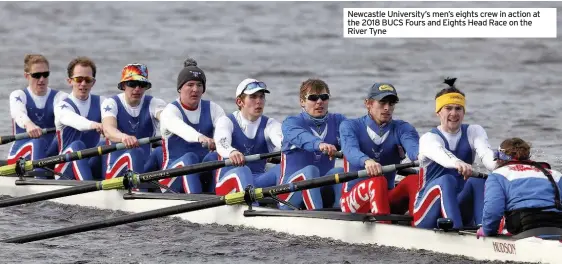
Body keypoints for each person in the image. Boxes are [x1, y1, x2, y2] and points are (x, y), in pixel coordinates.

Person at [414, 77, 497, 230]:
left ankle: (484, 228)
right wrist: (457, 163)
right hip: (425, 212)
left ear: (464, 111)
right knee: (447, 180)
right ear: (438, 112)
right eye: (448, 108)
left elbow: (487, 156)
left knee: (478, 180)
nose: (454, 113)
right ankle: (455, 228)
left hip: (458, 203)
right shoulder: (429, 138)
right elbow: (441, 155)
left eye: (458, 108)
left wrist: (503, 165)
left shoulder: (474, 131)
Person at [339, 83, 419, 216]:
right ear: (368, 103)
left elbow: (414, 149)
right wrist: (366, 161)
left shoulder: (402, 128)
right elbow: (350, 150)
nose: (387, 108)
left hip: (386, 197)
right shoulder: (350, 126)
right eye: (382, 103)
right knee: (377, 181)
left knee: (414, 179)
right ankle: (383, 224)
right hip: (352, 201)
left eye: (391, 104)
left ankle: (418, 224)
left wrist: (424, 156)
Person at [278, 78, 346, 210]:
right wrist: (319, 144)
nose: (319, 101)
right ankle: (317, 214)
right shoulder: (291, 123)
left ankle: (343, 212)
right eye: (313, 98)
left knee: (340, 171)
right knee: (311, 170)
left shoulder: (338, 120)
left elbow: (352, 139)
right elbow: (302, 137)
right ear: (302, 102)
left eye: (324, 97)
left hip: (321, 189)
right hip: (288, 194)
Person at [158, 58, 224, 193]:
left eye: (199, 85)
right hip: (170, 180)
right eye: (190, 84)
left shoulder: (214, 109)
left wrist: (222, 141)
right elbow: (181, 129)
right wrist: (200, 137)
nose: (195, 89)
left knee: (214, 157)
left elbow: (226, 130)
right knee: (190, 157)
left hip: (199, 175)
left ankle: (216, 198)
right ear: (180, 88)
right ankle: (197, 200)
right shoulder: (170, 111)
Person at [478, 138, 562, 237]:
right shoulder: (555, 175)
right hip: (557, 228)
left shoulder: (497, 176)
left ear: (499, 158)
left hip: (524, 229)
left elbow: (493, 211)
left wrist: (487, 230)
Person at [214, 78, 282, 195]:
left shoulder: (270, 124)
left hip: (257, 181)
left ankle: (288, 209)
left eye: (261, 97)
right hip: (228, 183)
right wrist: (232, 152)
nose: (259, 101)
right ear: (240, 102)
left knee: (283, 168)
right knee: (243, 170)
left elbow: (283, 141)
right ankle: (254, 207)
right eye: (253, 97)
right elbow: (222, 142)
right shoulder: (226, 121)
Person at [101, 63, 166, 179]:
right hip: (117, 171)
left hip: (144, 169)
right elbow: (108, 129)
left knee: (161, 151)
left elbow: (168, 120)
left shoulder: (155, 103)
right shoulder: (111, 103)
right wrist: (123, 137)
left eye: (142, 84)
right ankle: (138, 193)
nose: (137, 89)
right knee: (135, 152)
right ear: (124, 85)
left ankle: (172, 192)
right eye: (132, 84)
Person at [8, 54, 68, 171]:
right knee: (38, 142)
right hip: (20, 157)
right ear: (27, 76)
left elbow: (68, 115)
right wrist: (29, 125)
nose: (42, 79)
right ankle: (39, 178)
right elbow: (18, 113)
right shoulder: (18, 95)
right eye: (36, 75)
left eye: (45, 75)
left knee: (71, 141)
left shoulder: (60, 97)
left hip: (48, 155)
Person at [53, 57, 104, 181]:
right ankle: (89, 189)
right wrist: (94, 125)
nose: (83, 84)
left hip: (89, 164)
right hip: (65, 168)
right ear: (70, 81)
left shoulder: (103, 102)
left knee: (104, 144)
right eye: (78, 79)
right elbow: (76, 121)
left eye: (87, 80)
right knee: (77, 145)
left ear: (93, 82)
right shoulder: (62, 107)